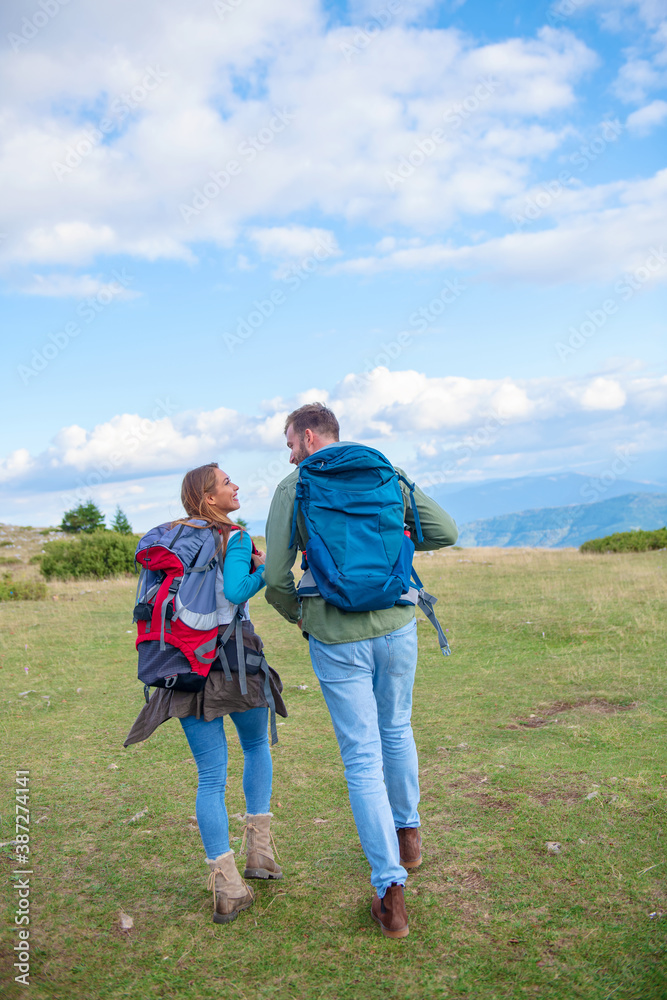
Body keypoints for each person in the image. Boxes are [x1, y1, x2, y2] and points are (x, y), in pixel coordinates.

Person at [263, 403, 458, 938]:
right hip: (397, 625)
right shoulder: (385, 472)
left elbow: (277, 578)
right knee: (397, 730)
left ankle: (390, 893)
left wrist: (303, 617)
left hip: (335, 634)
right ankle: (409, 838)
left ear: (307, 436)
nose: (288, 453)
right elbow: (445, 529)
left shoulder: (294, 486)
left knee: (362, 756)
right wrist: (393, 544)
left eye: (288, 443)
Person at [124, 462, 287, 925]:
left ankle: (227, 886)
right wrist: (269, 572)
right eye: (226, 482)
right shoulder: (230, 537)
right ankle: (260, 855)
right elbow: (236, 590)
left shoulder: (175, 540)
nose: (235, 486)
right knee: (255, 745)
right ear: (209, 498)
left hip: (182, 666)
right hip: (234, 661)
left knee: (210, 776)